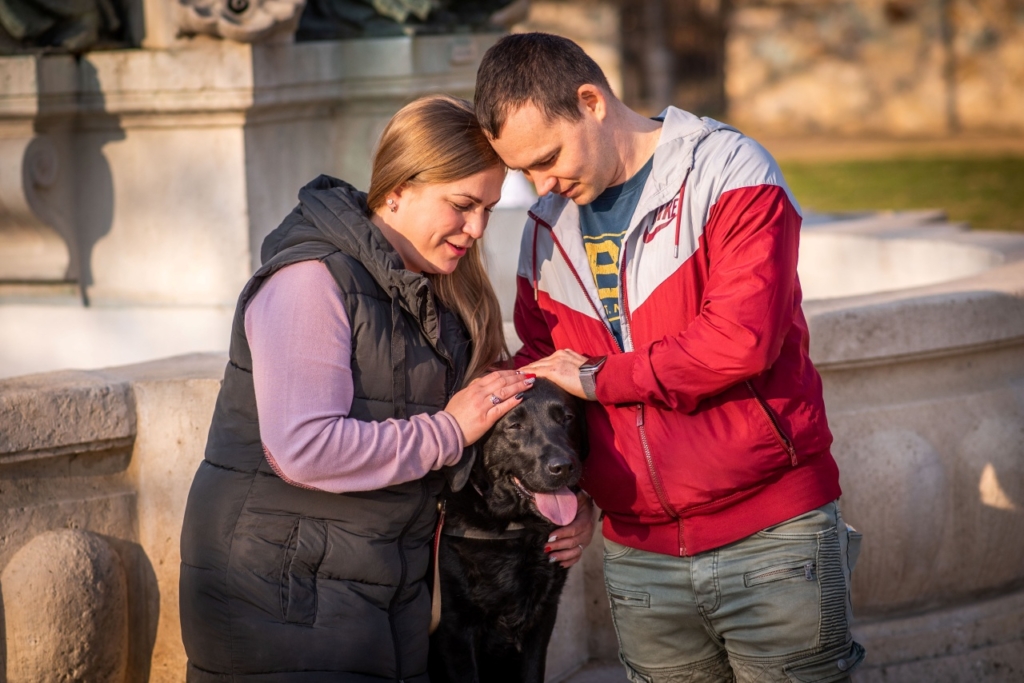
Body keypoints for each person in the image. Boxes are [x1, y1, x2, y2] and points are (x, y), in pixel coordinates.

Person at [474, 33, 865, 682]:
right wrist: (576, 487)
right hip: (639, 559)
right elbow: (548, 379)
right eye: (525, 173)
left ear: (591, 101)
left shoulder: (729, 169)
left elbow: (738, 341)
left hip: (771, 538)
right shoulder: (545, 226)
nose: (539, 185)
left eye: (546, 158)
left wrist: (601, 376)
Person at [178, 94, 594, 682]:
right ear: (397, 189)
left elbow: (510, 418)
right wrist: (448, 430)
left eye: (489, 209)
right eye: (462, 205)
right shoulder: (311, 280)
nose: (477, 228)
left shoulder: (443, 292)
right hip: (280, 593)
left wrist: (567, 504)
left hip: (381, 593)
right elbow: (303, 448)